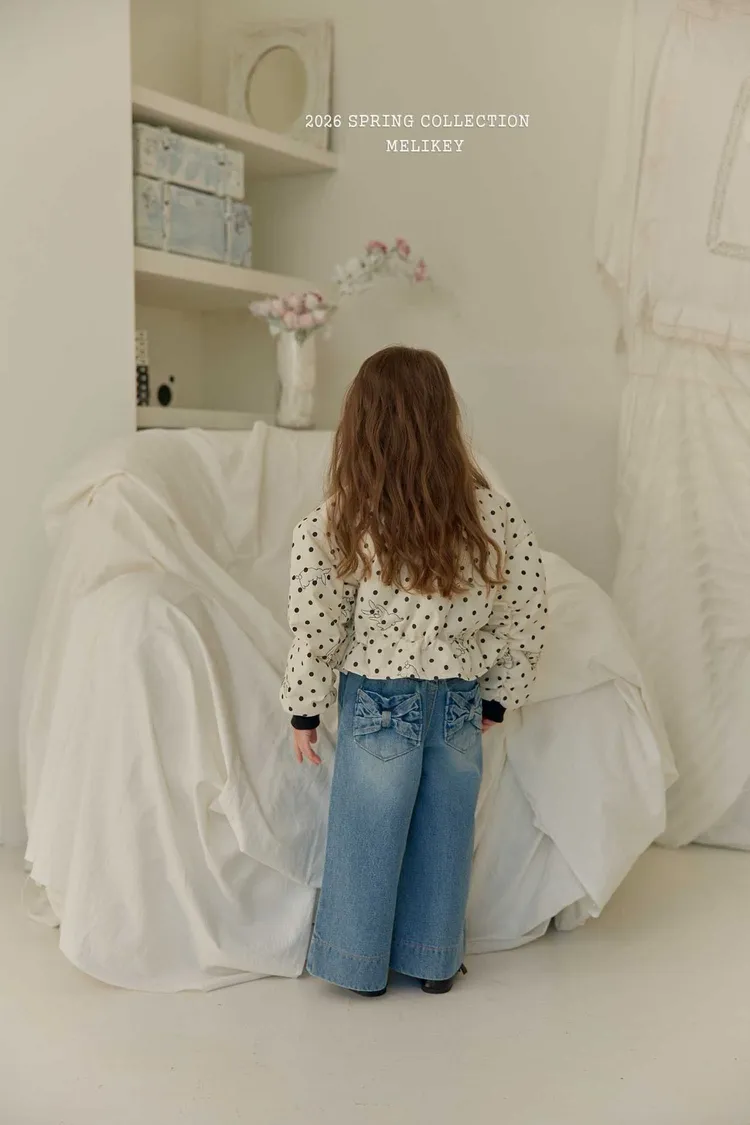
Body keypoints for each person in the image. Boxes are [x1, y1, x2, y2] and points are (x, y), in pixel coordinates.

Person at [281, 345, 547, 996]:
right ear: (443, 418)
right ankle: (433, 961)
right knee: (445, 826)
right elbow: (526, 611)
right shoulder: (491, 514)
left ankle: (358, 964)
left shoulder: (339, 519)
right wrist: (500, 695)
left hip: (380, 695)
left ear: (360, 424)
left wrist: (304, 707)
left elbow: (317, 621)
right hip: (458, 695)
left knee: (368, 826)